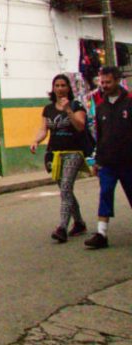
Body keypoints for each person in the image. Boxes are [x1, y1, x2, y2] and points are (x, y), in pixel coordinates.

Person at [30, 74, 88, 243]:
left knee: (65, 187)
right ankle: (79, 222)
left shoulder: (77, 105)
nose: (60, 89)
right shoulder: (48, 109)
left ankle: (62, 227)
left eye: (63, 85)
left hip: (74, 153)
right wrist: (36, 140)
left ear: (69, 88)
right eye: (57, 85)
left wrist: (68, 109)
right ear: (53, 88)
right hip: (55, 154)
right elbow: (44, 129)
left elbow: (80, 126)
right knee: (66, 189)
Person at [84, 66, 132, 250]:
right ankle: (101, 233)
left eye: (108, 82)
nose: (104, 86)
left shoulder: (129, 102)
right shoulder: (101, 106)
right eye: (101, 82)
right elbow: (100, 136)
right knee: (105, 194)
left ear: (118, 81)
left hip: (129, 161)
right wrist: (97, 161)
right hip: (108, 163)